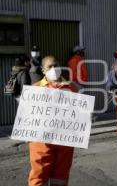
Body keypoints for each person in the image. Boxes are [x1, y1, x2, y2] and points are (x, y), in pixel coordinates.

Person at [28, 56, 77, 186]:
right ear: (43, 70)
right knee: (39, 175)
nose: (54, 69)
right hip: (41, 142)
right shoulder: (35, 89)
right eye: (50, 67)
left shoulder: (72, 88)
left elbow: (79, 113)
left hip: (65, 142)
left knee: (61, 176)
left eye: (56, 65)